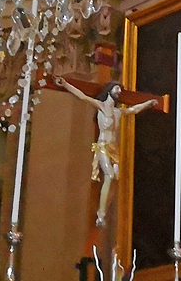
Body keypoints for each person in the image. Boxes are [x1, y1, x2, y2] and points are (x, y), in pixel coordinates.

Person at [56, 78, 159, 227]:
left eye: (120, 89)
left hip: (113, 148)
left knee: (116, 179)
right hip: (102, 146)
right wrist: (66, 85)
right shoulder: (101, 106)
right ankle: (101, 215)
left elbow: (134, 110)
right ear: (109, 90)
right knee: (109, 175)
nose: (119, 91)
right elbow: (82, 96)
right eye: (117, 88)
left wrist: (148, 103)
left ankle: (103, 208)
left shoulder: (118, 112)